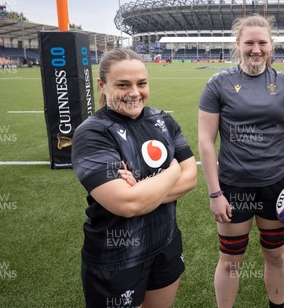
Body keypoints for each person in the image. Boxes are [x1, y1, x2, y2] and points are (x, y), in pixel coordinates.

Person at [198, 14, 284, 308]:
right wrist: (215, 193)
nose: (256, 49)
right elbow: (206, 141)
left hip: (276, 186)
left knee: (275, 254)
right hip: (233, 186)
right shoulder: (218, 83)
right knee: (230, 259)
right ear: (238, 44)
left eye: (262, 43)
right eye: (249, 43)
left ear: (271, 45)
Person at [72, 48, 197, 308]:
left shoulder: (162, 120)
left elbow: (192, 178)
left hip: (166, 242)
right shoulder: (93, 133)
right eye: (122, 84)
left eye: (141, 83)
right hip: (116, 257)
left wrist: (141, 189)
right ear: (102, 85)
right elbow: (128, 205)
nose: (134, 93)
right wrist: (173, 170)